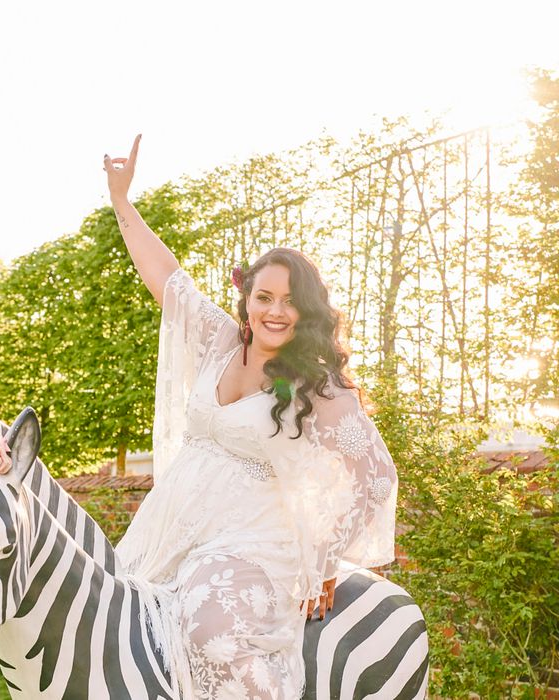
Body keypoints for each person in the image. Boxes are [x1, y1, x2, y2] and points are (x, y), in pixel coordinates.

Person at [103, 135, 398, 700]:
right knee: (121, 628)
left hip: (253, 542)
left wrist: (325, 558)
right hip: (174, 523)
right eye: (264, 298)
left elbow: (376, 475)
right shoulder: (218, 341)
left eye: (290, 302)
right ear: (247, 300)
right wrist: (122, 201)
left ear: (306, 311)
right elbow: (167, 278)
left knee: (212, 631)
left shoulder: (314, 384)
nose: (276, 312)